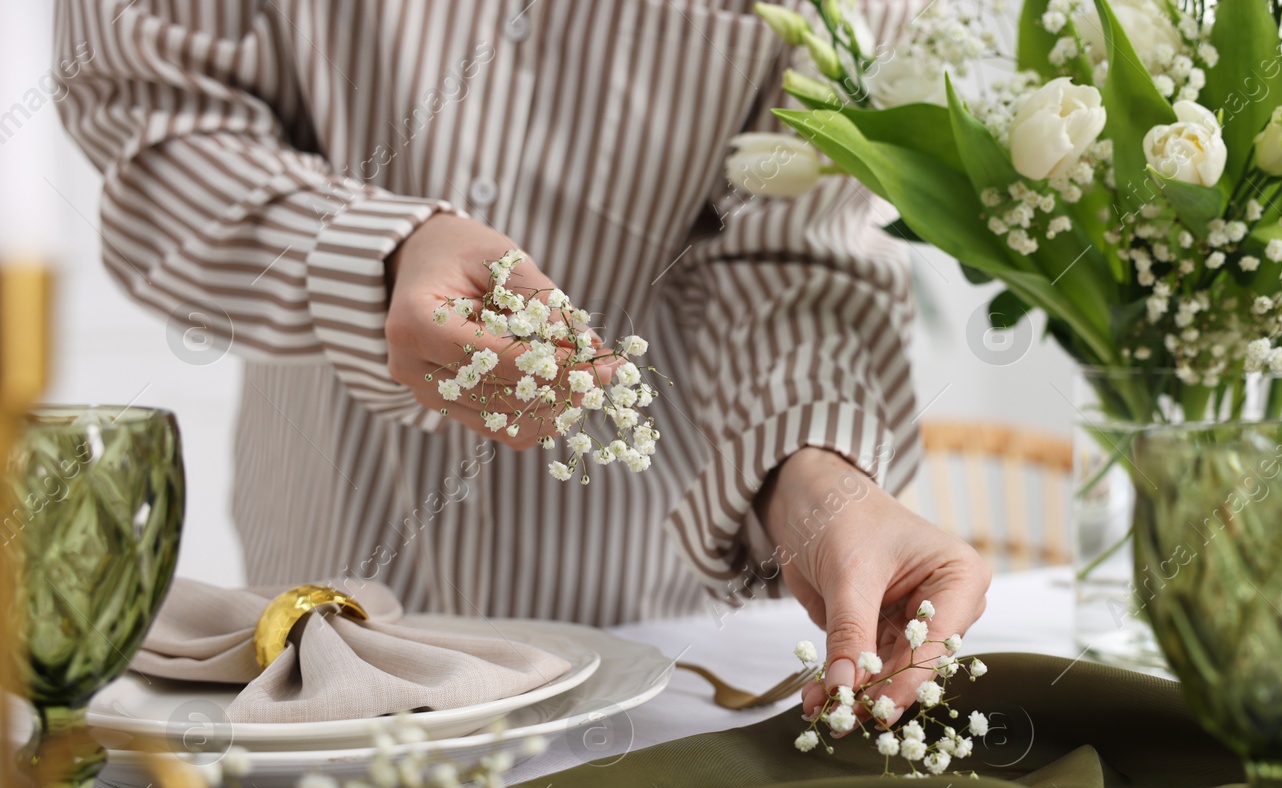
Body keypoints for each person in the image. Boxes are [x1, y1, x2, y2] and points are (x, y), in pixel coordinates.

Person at [54, 0, 988, 717]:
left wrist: (816, 477)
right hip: (312, 643)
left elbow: (791, 245)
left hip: (648, 660)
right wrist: (375, 254)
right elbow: (154, 119)